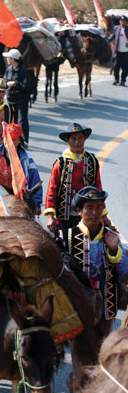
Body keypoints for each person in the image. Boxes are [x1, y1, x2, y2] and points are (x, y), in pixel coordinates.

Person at [62, 186, 127, 367]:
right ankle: (77, 389)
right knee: (80, 360)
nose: (95, 212)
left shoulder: (111, 238)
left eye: (99, 207)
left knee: (102, 359)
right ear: (79, 211)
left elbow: (125, 273)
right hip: (77, 309)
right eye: (89, 207)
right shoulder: (66, 237)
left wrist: (115, 250)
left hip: (106, 307)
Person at [44, 123, 110, 233]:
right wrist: (50, 216)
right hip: (64, 217)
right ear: (67, 140)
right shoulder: (60, 163)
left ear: (85, 139)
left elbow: (98, 187)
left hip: (87, 216)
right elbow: (52, 189)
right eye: (73, 139)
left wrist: (103, 214)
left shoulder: (92, 161)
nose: (77, 142)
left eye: (80, 138)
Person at [0, 123, 42, 215]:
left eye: (13, 140)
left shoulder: (27, 160)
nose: (9, 143)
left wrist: (37, 203)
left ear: (20, 140)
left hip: (18, 200)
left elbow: (35, 180)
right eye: (7, 139)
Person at [3, 48, 31, 149]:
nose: (7, 59)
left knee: (22, 119)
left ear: (13, 59)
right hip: (11, 98)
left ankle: (25, 141)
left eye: (9, 57)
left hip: (22, 98)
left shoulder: (24, 71)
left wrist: (15, 84)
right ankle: (12, 138)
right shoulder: (9, 69)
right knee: (11, 119)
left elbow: (26, 85)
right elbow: (5, 80)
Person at [109, 15, 128, 86]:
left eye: (124, 21)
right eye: (121, 21)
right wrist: (107, 40)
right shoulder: (116, 28)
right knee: (116, 66)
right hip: (117, 51)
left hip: (126, 52)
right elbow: (112, 36)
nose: (122, 23)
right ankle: (116, 79)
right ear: (120, 22)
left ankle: (123, 80)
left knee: (125, 67)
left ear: (126, 23)